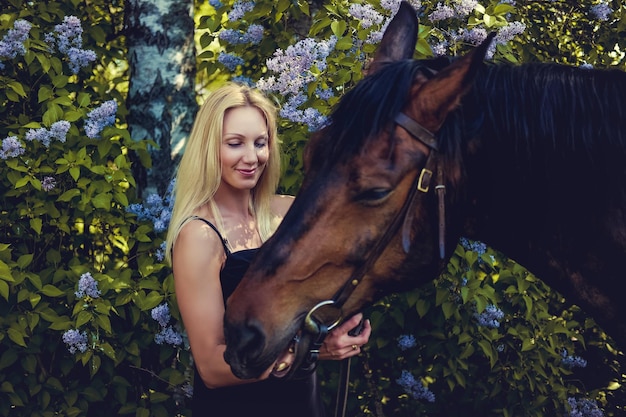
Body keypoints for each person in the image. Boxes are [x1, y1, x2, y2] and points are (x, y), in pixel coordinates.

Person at [165, 83, 372, 417]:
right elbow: (212, 369)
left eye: (260, 143)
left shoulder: (290, 213)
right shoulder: (199, 235)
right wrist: (310, 353)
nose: (252, 157)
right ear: (209, 149)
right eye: (235, 143)